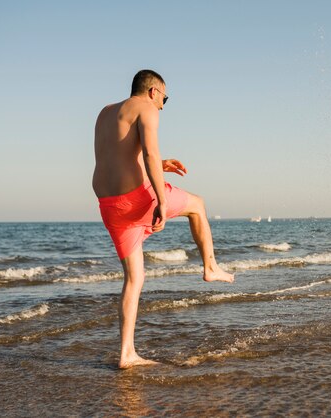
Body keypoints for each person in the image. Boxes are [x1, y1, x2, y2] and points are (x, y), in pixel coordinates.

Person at [93, 69, 234, 369]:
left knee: (134, 278)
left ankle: (126, 353)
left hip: (109, 206)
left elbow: (116, 158)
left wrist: (161, 163)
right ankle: (210, 266)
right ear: (153, 91)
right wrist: (162, 199)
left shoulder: (105, 113)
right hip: (137, 198)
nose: (162, 106)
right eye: (165, 99)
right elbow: (148, 154)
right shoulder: (146, 108)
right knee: (197, 204)